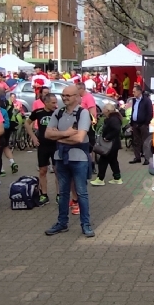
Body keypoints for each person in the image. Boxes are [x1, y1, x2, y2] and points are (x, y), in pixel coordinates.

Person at [44, 84, 95, 238]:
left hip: (79, 159)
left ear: (77, 97)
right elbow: (47, 134)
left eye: (68, 95)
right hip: (61, 158)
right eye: (63, 95)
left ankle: (85, 225)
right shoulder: (58, 112)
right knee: (63, 193)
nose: (64, 98)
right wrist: (66, 133)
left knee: (81, 193)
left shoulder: (83, 113)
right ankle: (62, 223)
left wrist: (58, 136)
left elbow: (80, 138)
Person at [29, 91, 59, 206]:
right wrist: (33, 137)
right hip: (42, 145)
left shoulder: (58, 113)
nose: (55, 104)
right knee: (42, 170)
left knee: (57, 170)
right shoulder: (38, 112)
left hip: (55, 145)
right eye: (52, 102)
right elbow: (27, 123)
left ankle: (59, 195)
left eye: (56, 102)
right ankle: (44, 194)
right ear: (45, 102)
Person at [90, 102, 124, 187]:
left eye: (104, 109)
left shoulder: (113, 119)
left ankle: (100, 179)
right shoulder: (114, 118)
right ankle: (117, 178)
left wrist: (107, 137)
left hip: (110, 144)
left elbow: (116, 129)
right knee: (113, 161)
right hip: (113, 144)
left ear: (108, 110)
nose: (103, 110)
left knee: (103, 160)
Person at [128, 85, 153, 164]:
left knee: (145, 141)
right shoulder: (134, 100)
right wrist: (132, 123)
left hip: (143, 124)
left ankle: (146, 158)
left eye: (134, 91)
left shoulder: (146, 100)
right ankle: (137, 157)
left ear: (139, 91)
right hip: (135, 124)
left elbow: (150, 113)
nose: (133, 93)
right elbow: (133, 111)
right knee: (136, 141)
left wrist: (146, 123)